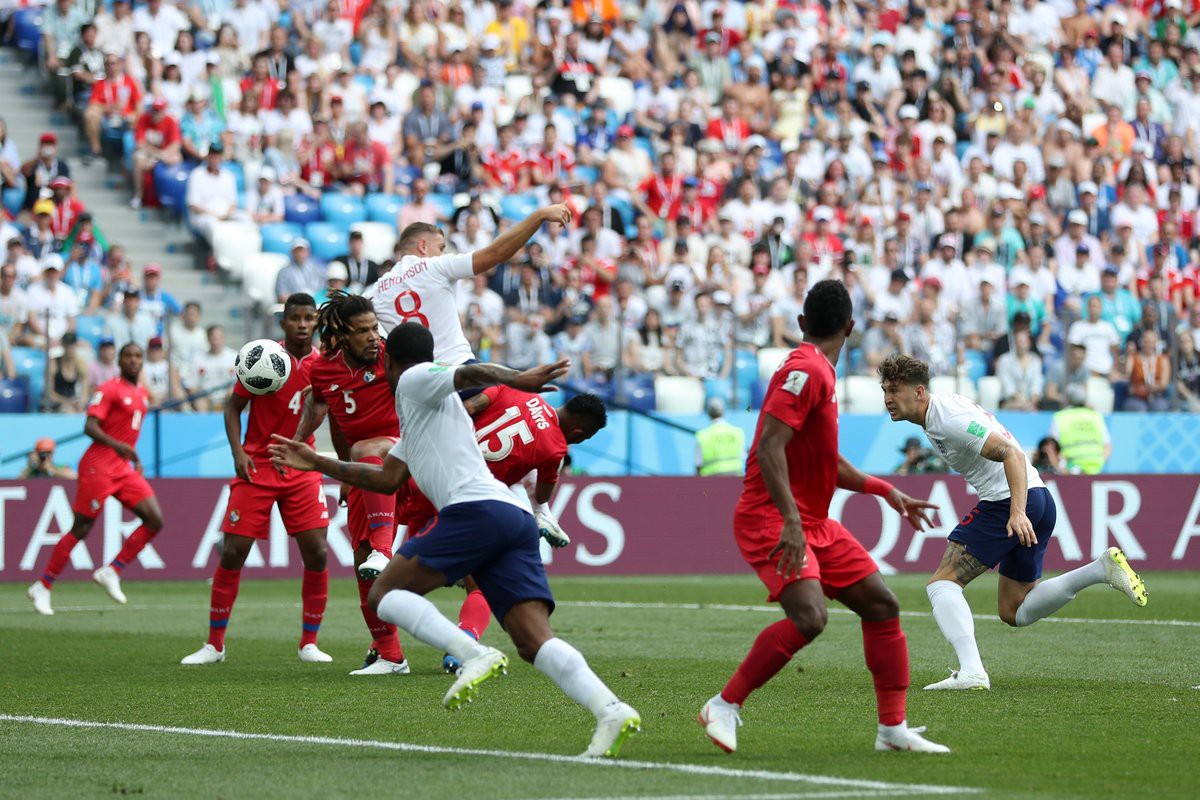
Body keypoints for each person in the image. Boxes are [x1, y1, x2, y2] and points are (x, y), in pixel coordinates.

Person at [268, 323, 642, 758]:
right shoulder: (421, 414)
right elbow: (386, 479)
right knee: (531, 638)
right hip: (514, 515)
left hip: (476, 509)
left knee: (385, 593)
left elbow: (466, 374)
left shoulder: (412, 379)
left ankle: (472, 652)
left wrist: (518, 378)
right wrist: (317, 462)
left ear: (389, 360)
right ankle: (610, 709)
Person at [697, 280, 949, 755]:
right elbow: (770, 448)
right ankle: (724, 704)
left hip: (811, 522)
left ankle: (892, 731)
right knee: (811, 616)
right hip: (771, 518)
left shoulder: (819, 373)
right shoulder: (806, 369)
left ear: (802, 323)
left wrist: (886, 490)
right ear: (851, 327)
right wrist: (791, 522)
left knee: (881, 605)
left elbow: (826, 462)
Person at [878, 354, 1145, 692]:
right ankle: (1099, 570)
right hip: (1038, 499)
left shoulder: (947, 418)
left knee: (941, 584)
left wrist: (1017, 512)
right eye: (885, 390)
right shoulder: (936, 415)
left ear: (918, 392)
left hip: (1011, 501)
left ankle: (972, 672)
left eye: (894, 390)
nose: (888, 398)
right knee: (1013, 610)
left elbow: (1012, 454)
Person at [390, 387, 609, 673]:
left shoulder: (517, 392)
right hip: (465, 499)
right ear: (579, 433)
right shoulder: (555, 448)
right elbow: (541, 495)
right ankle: (462, 646)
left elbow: (470, 406)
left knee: (394, 576)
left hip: (426, 475)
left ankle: (383, 647)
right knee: (478, 583)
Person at [182, 295, 332, 666]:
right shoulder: (262, 358)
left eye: (308, 318)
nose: (302, 324)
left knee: (317, 552)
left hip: (300, 466)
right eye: (295, 318)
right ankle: (214, 644)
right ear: (283, 324)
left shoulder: (324, 365)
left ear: (316, 322)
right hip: (258, 467)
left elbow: (323, 408)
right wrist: (238, 452)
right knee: (233, 552)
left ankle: (309, 642)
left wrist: (300, 448)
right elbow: (232, 407)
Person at [294, 292, 408, 676]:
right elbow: (326, 412)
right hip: (366, 465)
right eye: (363, 331)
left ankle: (468, 636)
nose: (373, 336)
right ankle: (391, 655)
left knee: (368, 446)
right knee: (363, 566)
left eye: (375, 327)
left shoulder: (394, 354)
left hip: (410, 452)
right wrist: (342, 470)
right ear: (342, 336)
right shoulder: (324, 370)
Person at [27, 344, 165, 616]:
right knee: (82, 528)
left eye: (138, 357)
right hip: (97, 466)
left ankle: (112, 570)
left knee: (155, 519)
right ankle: (42, 586)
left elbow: (129, 433)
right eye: (128, 356)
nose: (134, 361)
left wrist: (131, 456)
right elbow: (89, 426)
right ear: (120, 361)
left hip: (122, 468)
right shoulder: (108, 389)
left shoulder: (142, 394)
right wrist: (119, 446)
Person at [368, 204, 575, 366]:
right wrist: (539, 215)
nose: (443, 253)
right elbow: (497, 253)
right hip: (456, 370)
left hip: (415, 386)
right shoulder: (435, 266)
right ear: (423, 246)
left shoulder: (375, 292)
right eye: (440, 247)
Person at [1049, 400, 1112, 475]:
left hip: (1070, 470)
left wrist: (1064, 467)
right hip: (1094, 470)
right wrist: (1099, 462)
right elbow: (1108, 446)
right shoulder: (1095, 416)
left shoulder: (1060, 417)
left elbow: (1052, 447)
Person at [694, 397, 746, 476]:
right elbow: (744, 457)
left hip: (712, 481)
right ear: (723, 411)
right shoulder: (737, 432)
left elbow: (698, 465)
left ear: (708, 413)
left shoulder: (702, 436)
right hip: (735, 478)